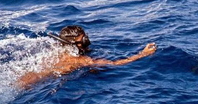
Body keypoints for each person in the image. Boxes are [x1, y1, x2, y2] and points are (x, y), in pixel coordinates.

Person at [16, 25, 157, 89]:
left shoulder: (55, 51)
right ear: (74, 43)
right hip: (34, 83)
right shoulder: (81, 60)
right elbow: (114, 64)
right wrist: (142, 54)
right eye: (84, 41)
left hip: (25, 77)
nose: (87, 43)